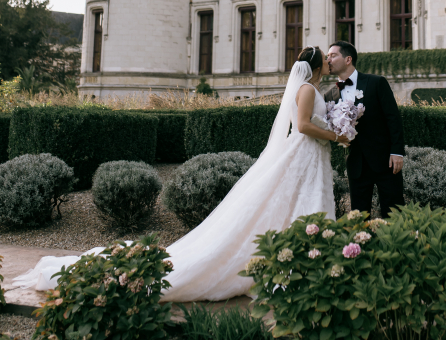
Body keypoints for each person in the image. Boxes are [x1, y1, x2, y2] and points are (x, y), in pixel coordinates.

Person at [13, 47, 348, 302]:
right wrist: (337, 135)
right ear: (318, 66)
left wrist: (337, 125)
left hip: (311, 159)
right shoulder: (306, 90)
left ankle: (307, 261)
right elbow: (303, 126)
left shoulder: (316, 90)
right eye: (328, 58)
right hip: (303, 155)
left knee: (298, 206)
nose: (332, 61)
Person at [325, 40, 404, 218]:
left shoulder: (376, 83)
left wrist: (397, 151)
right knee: (359, 217)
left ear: (348, 59)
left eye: (332, 55)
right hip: (355, 164)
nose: (328, 59)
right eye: (327, 56)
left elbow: (393, 118)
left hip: (386, 161)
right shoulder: (329, 95)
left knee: (394, 213)